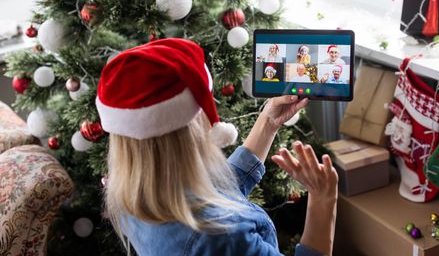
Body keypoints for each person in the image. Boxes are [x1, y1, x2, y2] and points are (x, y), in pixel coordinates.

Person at [97, 38, 338, 256]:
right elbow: (215, 216)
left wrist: (268, 123)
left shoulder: (128, 191)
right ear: (192, 125)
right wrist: (323, 199)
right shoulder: (223, 237)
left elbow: (216, 191)